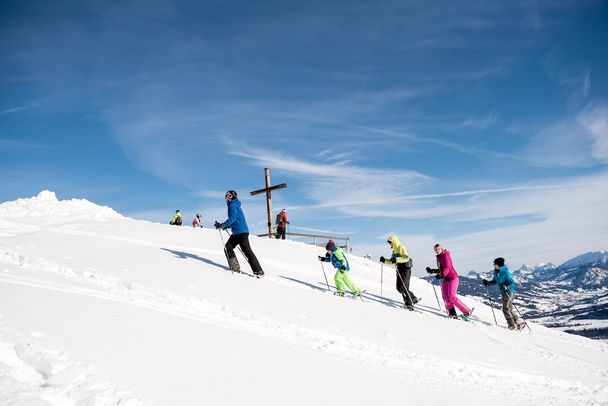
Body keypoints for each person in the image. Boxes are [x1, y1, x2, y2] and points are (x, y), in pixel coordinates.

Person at [214, 190, 264, 277]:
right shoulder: (234, 205)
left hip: (241, 232)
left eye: (227, 195)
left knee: (246, 250)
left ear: (231, 196)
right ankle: (235, 268)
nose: (225, 197)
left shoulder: (233, 205)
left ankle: (258, 271)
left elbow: (233, 218)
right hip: (237, 232)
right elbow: (235, 220)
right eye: (225, 195)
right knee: (228, 247)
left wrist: (223, 225)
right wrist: (224, 226)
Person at [426, 244, 473, 319]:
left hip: (452, 278)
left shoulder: (445, 255)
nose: (437, 251)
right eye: (435, 250)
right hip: (446, 279)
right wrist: (432, 270)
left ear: (441, 249)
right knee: (445, 297)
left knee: (451, 296)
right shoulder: (439, 257)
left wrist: (442, 275)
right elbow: (442, 269)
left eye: (438, 249)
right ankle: (452, 313)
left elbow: (448, 267)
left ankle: (467, 311)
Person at [483, 257, 525, 331]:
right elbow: (495, 281)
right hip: (503, 293)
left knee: (505, 309)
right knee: (509, 309)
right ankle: (519, 323)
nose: (493, 265)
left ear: (499, 265)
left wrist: (507, 287)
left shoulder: (505, 272)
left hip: (509, 292)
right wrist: (488, 283)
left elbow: (512, 283)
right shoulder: (496, 272)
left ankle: (512, 325)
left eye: (495, 264)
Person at [380, 235, 419, 310]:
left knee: (404, 287)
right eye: (389, 243)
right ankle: (413, 298)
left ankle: (409, 304)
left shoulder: (402, 248)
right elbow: (392, 261)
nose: (390, 244)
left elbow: (406, 258)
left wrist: (397, 259)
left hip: (406, 269)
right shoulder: (394, 250)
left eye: (390, 243)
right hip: (399, 269)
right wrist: (384, 260)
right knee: (399, 288)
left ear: (394, 241)